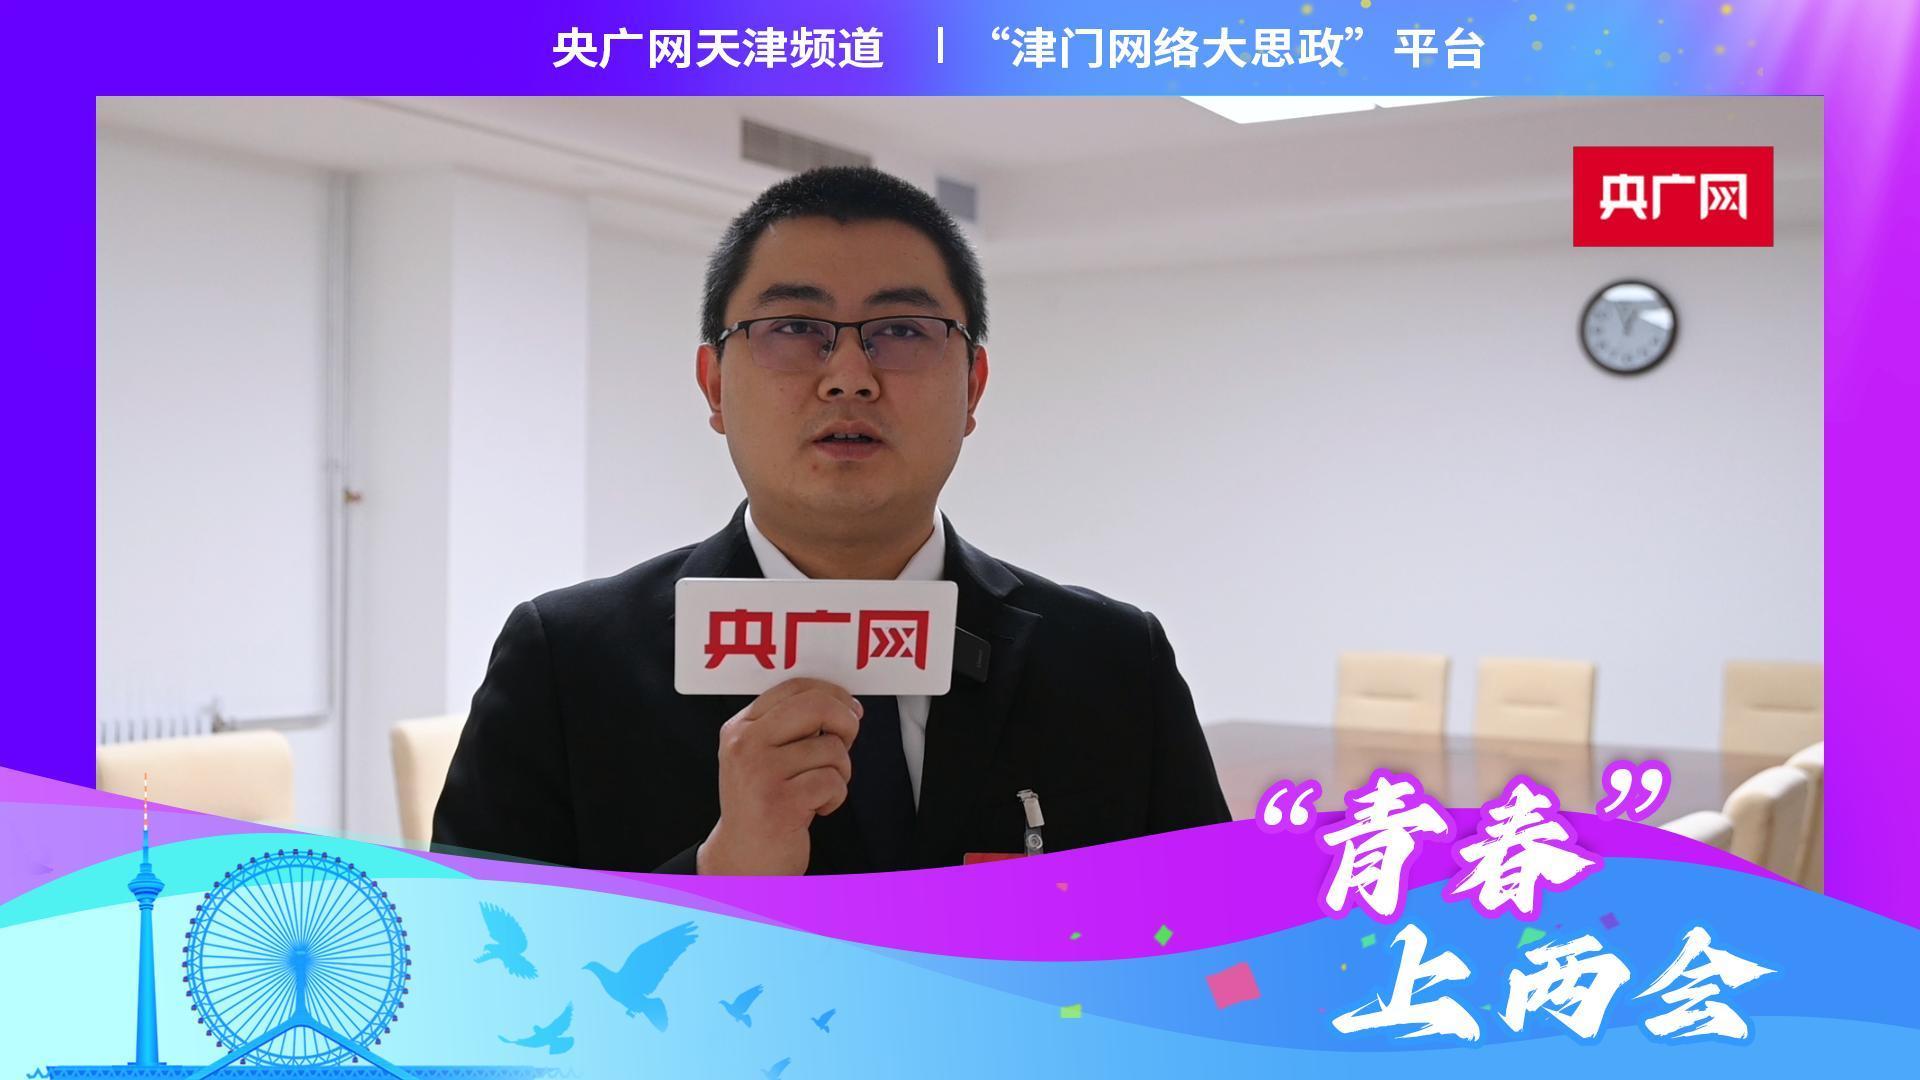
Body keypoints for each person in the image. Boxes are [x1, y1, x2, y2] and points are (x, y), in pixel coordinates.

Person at [433, 165, 1228, 875]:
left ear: (973, 387)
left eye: (903, 332)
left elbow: (1221, 960)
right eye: (793, 329)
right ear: (714, 386)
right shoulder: (566, 665)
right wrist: (720, 876)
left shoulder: (1114, 665)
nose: (850, 377)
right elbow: (467, 974)